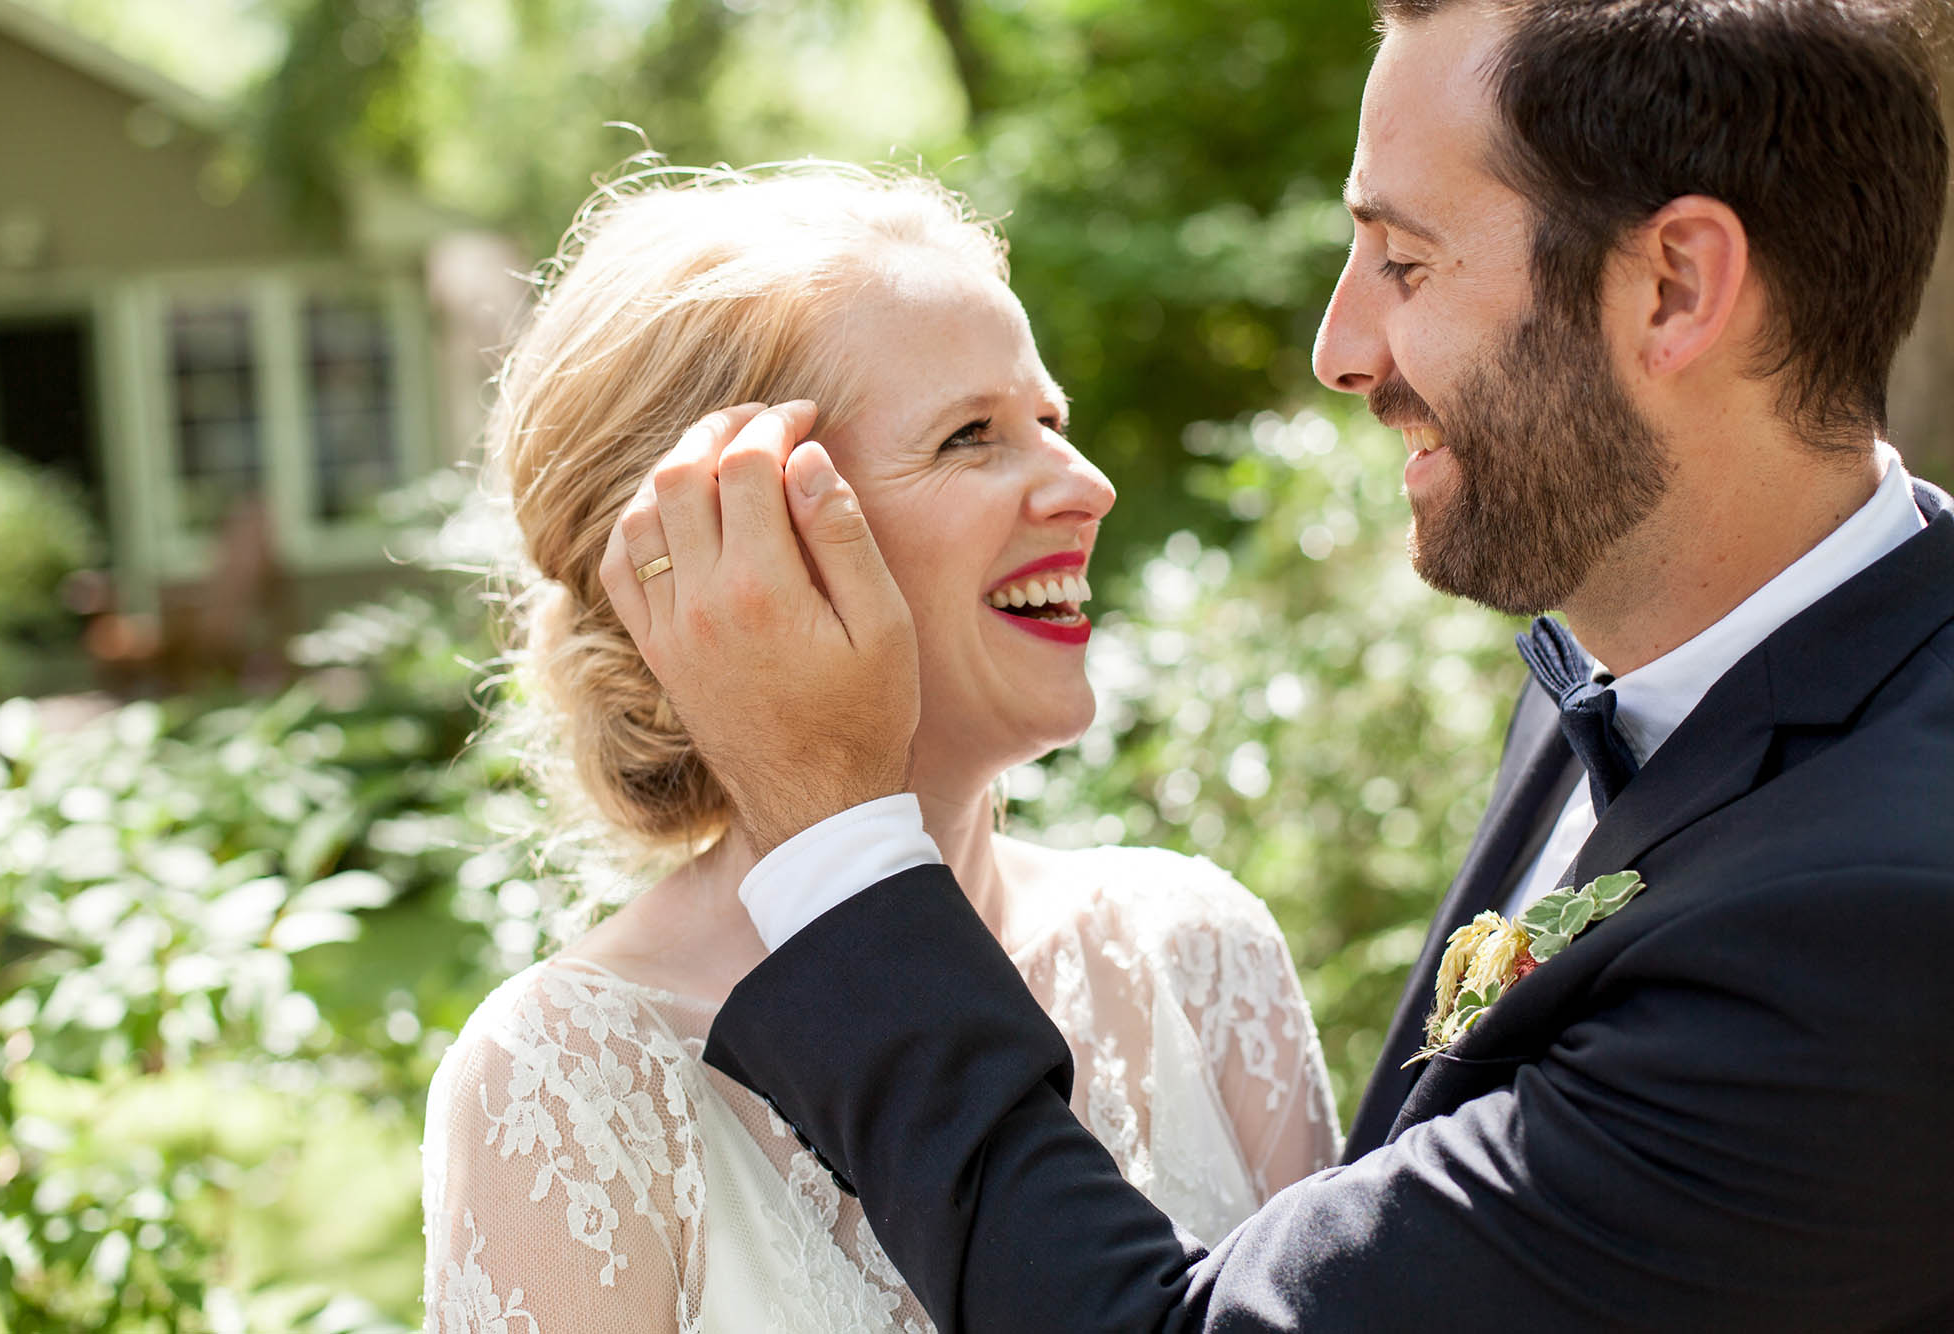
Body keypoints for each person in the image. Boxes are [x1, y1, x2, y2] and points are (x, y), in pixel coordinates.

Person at [605, 1, 1954, 1329]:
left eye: (1406, 265)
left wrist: (836, 838)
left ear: (1671, 287)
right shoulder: (1643, 666)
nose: (1337, 348)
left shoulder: (1871, 930)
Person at [418, 163, 1342, 1334]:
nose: (1088, 486)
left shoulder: (1201, 953)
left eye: (1047, 421)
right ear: (726, 539)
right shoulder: (563, 1080)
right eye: (971, 436)